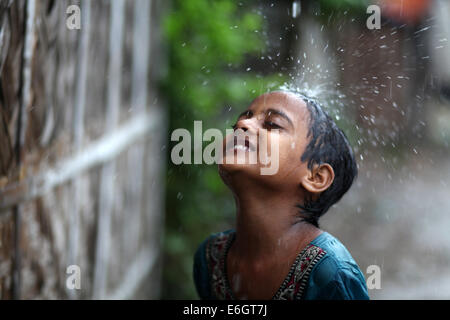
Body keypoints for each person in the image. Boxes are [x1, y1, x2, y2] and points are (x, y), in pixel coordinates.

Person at [193, 91, 369, 300]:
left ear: (316, 177)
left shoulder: (331, 274)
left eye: (272, 124)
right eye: (240, 121)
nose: (242, 125)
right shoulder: (210, 258)